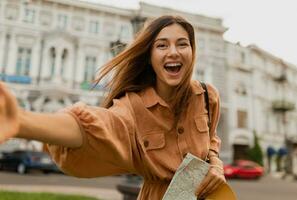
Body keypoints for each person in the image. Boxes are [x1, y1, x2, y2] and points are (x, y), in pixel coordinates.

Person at [0, 15, 226, 199]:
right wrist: (21, 122)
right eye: (162, 45)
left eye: (182, 44)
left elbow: (211, 139)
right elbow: (93, 126)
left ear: (192, 52)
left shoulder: (207, 96)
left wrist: (215, 164)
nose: (173, 52)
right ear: (150, 57)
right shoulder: (132, 107)